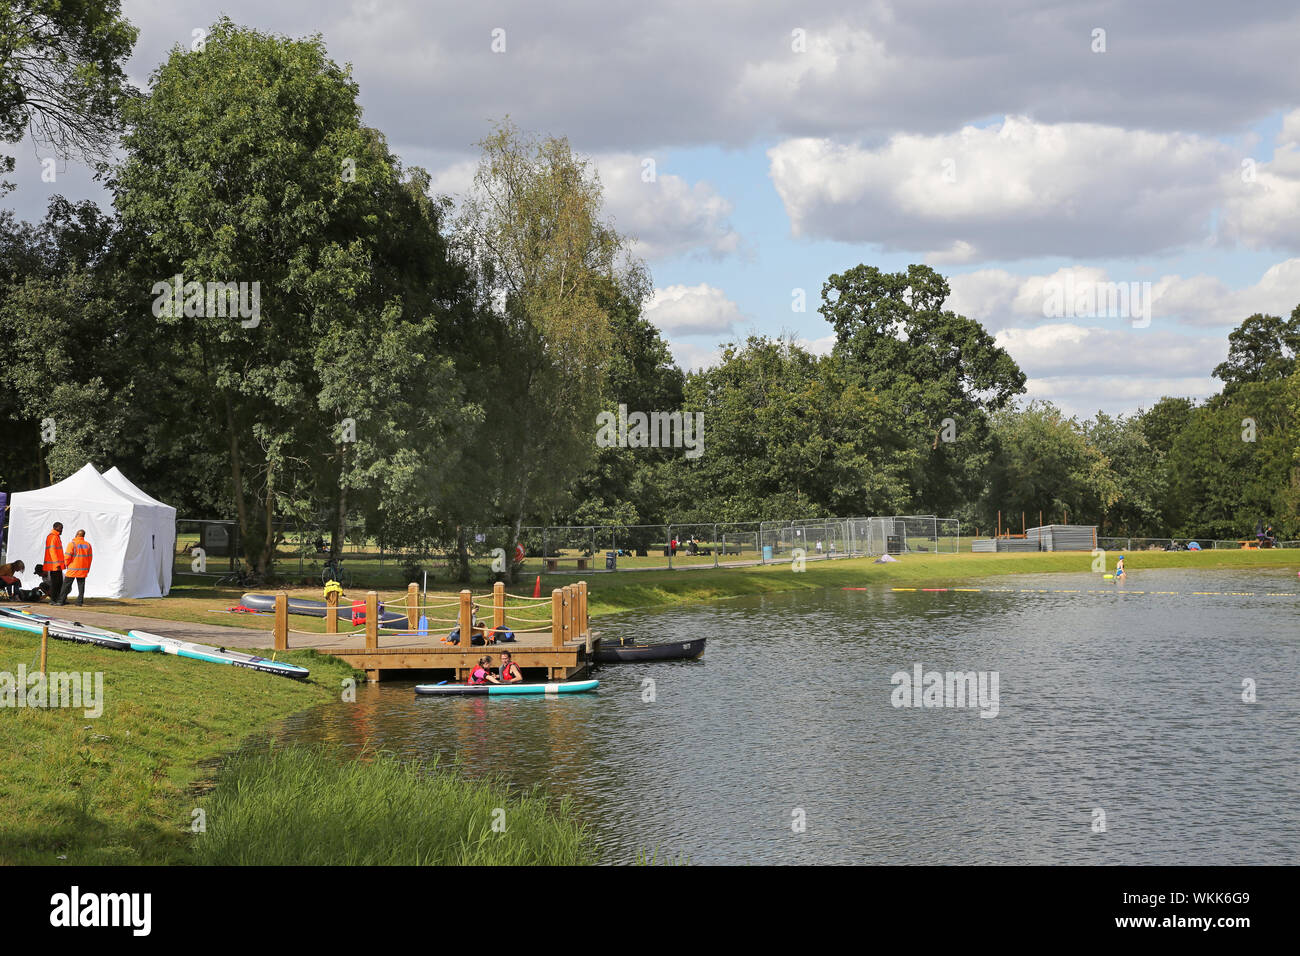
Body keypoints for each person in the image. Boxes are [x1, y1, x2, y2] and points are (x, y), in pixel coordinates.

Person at [59, 529, 92, 606]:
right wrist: (87, 569)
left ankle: (61, 601)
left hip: (72, 569)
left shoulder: (72, 544)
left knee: (66, 586)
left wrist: (65, 565)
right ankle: (79, 602)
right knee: (81, 587)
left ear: (77, 534)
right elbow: (90, 558)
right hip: (83, 570)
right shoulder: (88, 545)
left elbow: (67, 556)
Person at [44, 522, 66, 606]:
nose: (62, 530)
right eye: (61, 528)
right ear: (56, 527)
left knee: (59, 583)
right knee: (55, 583)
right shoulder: (53, 537)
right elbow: (52, 551)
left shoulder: (55, 536)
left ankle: (58, 599)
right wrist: (57, 563)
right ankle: (54, 599)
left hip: (56, 565)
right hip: (55, 565)